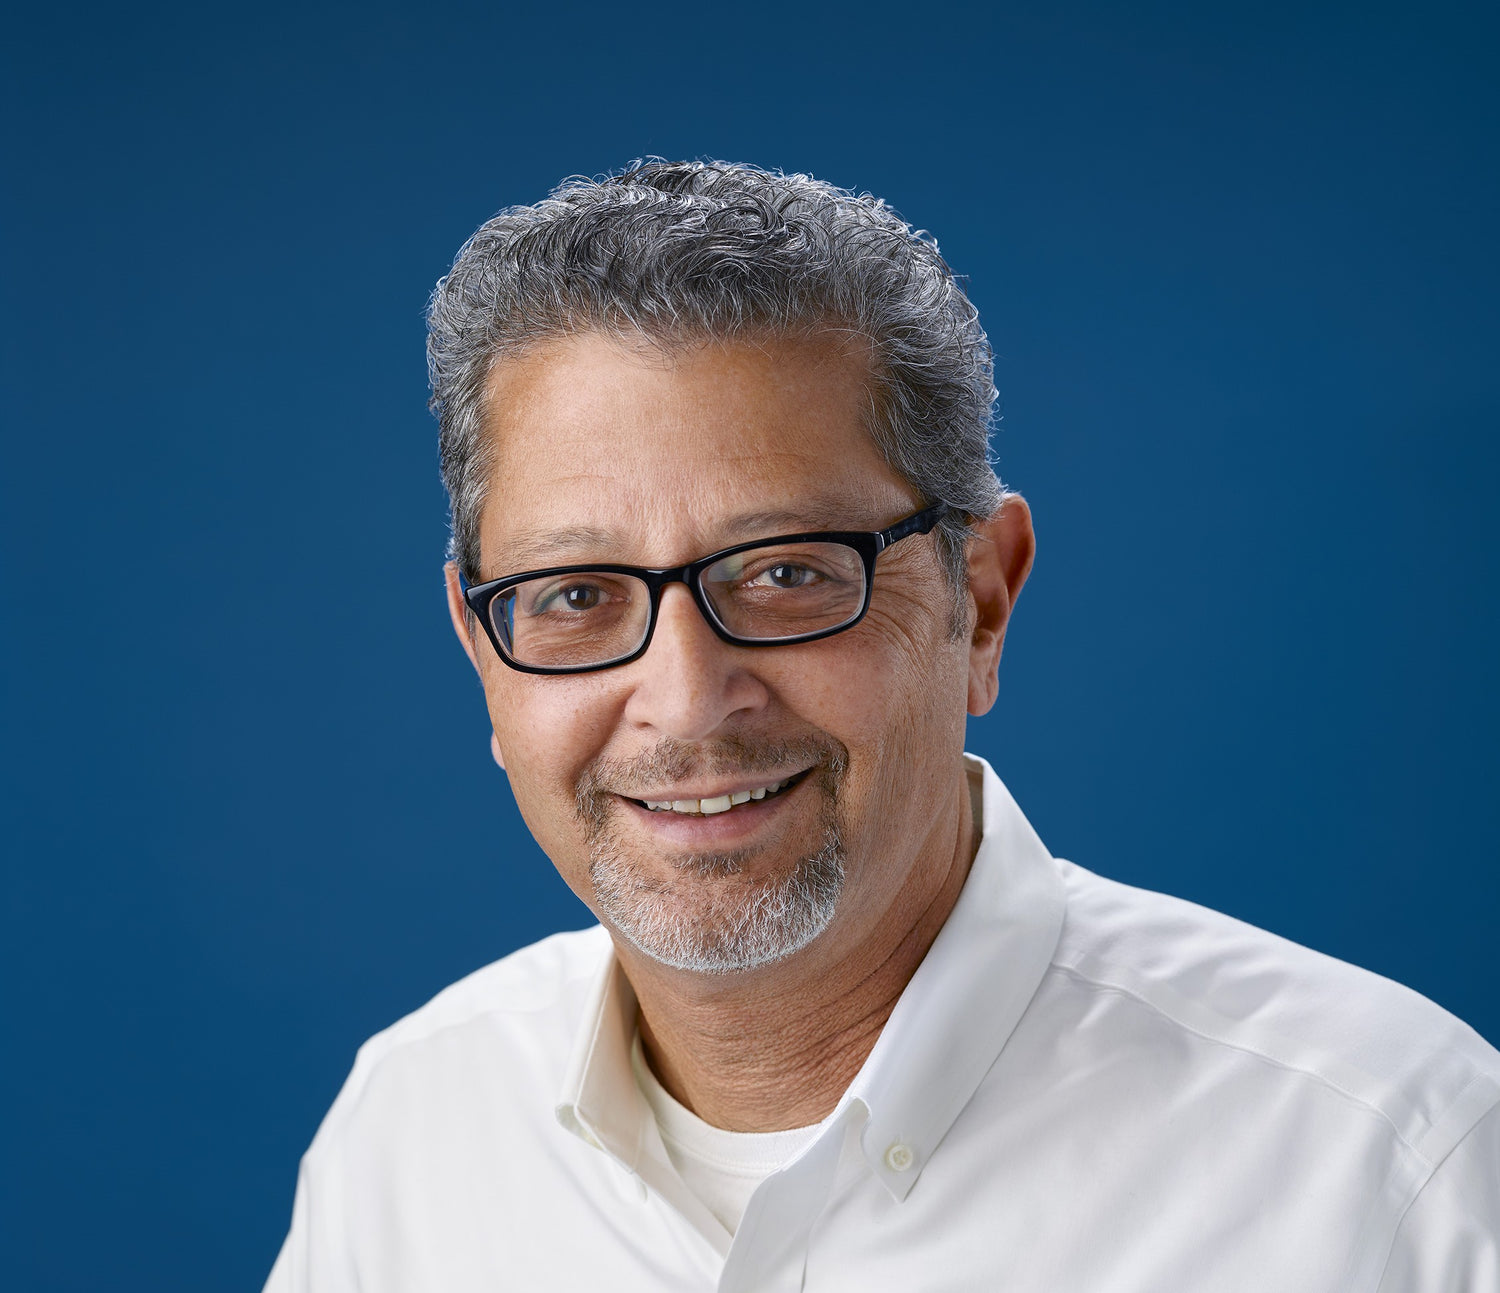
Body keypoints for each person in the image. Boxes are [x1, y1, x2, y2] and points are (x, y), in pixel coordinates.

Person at [265, 161, 1499, 1292]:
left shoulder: (1394, 1172)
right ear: (482, 648)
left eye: (789, 573)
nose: (689, 700)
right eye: (577, 597)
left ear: (980, 601)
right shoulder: (413, 1135)